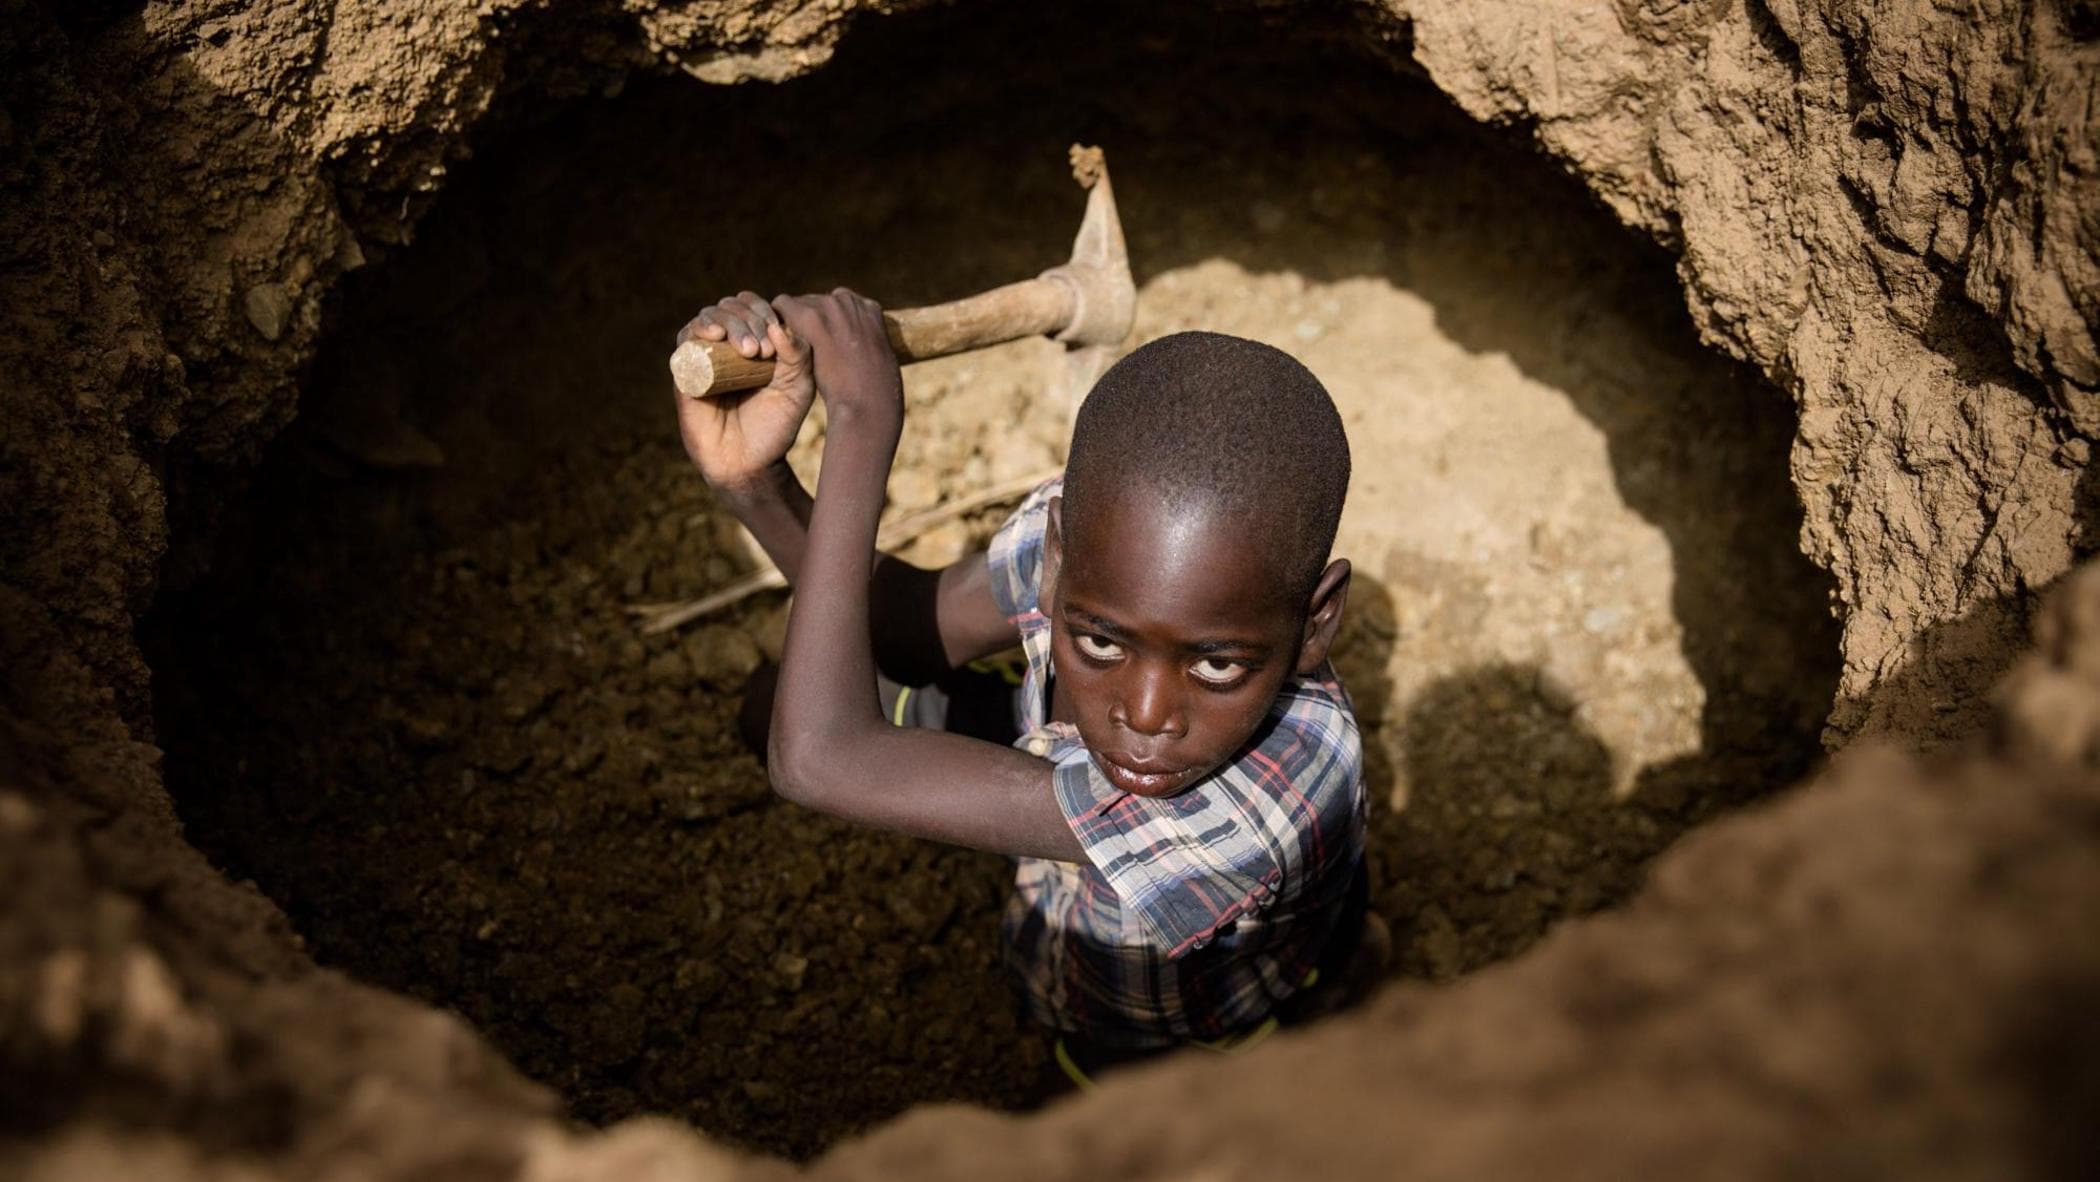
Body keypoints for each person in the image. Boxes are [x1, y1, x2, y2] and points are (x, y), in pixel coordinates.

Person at [672, 289, 1376, 1082]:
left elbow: (819, 761)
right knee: (783, 697)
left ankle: (1307, 1006)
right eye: (1101, 640)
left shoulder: (1278, 792)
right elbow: (906, 626)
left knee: (1106, 1089)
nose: (1145, 718)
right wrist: (755, 483)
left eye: (1216, 666)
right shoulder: (1094, 542)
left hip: (1152, 1010)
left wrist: (862, 427)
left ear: (1315, 623)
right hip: (1045, 786)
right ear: (1057, 557)